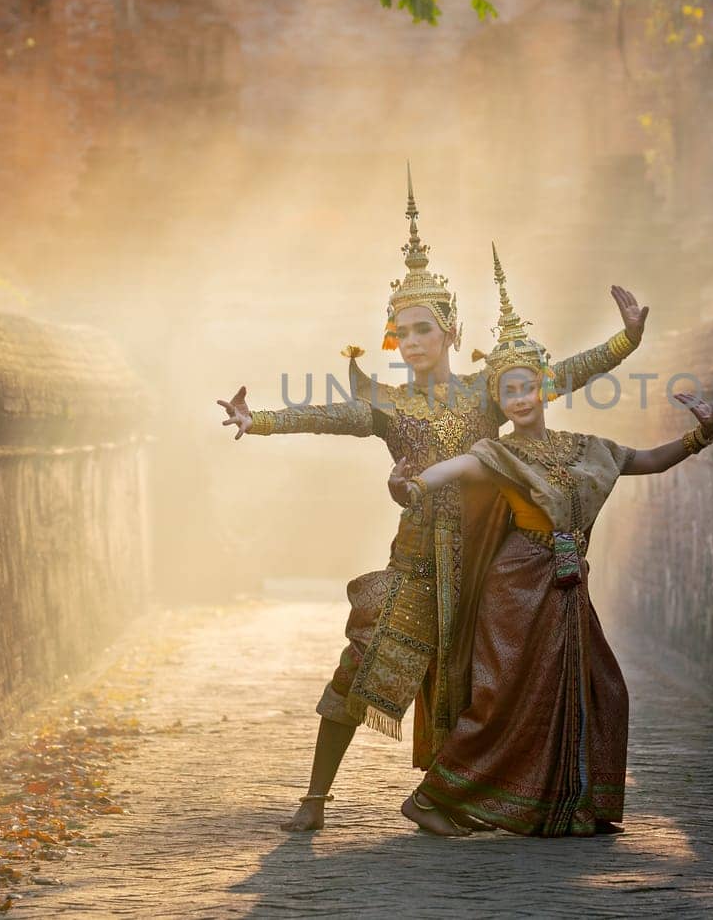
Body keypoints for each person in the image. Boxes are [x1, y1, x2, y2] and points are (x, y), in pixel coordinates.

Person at [216, 173, 650, 832]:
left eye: (424, 328)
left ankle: (448, 799)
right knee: (360, 669)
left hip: (484, 565)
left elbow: (560, 373)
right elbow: (331, 414)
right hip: (418, 563)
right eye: (401, 331)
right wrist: (263, 420)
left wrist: (626, 342)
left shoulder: (486, 391)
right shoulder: (391, 404)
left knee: (481, 683)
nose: (413, 340)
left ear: (452, 331)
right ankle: (314, 799)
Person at [386, 247, 713, 837]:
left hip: (566, 586)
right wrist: (413, 483)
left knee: (596, 690)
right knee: (504, 699)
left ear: (544, 388)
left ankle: (574, 805)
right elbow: (453, 471)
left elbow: (643, 460)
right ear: (500, 399)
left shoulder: (585, 449)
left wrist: (699, 436)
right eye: (506, 391)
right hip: (515, 590)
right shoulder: (498, 454)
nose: (518, 398)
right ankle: (433, 796)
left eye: (526, 386)